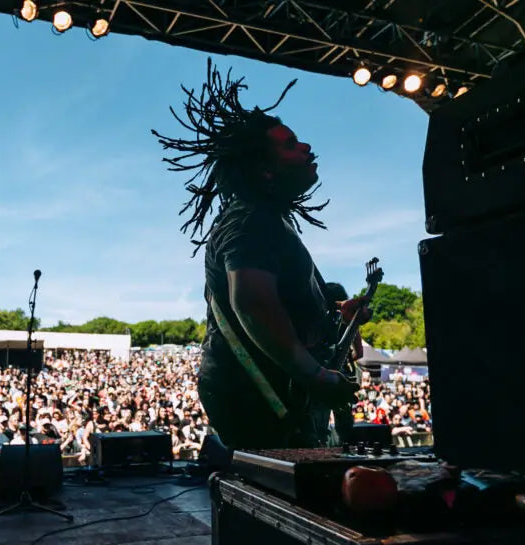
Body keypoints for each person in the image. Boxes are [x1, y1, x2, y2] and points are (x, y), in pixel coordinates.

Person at [153, 59, 368, 449]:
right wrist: (314, 375)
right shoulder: (251, 219)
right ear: (265, 170)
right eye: (290, 145)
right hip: (258, 397)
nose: (306, 147)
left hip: (275, 393)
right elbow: (252, 304)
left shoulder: (269, 219)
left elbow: (283, 300)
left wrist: (339, 311)